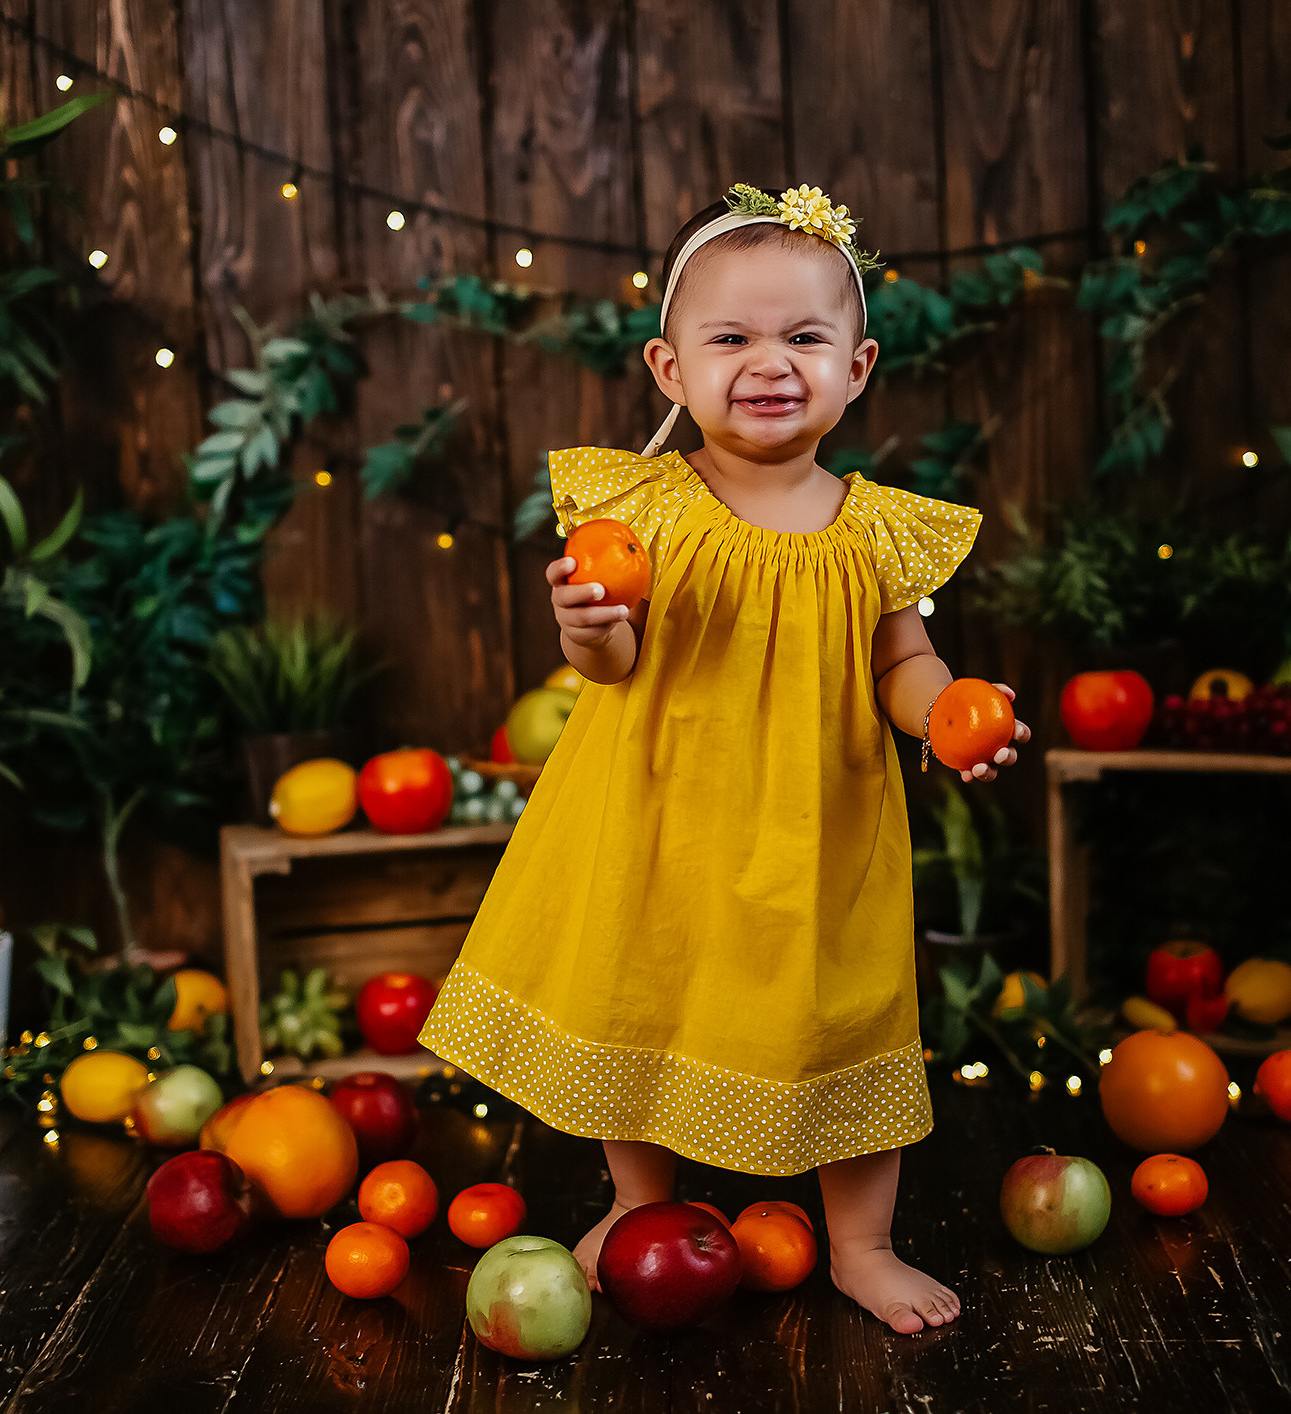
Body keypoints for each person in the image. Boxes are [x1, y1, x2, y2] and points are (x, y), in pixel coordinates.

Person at [418, 184, 1029, 1334]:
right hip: (663, 816)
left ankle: (861, 1241)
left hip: (820, 826)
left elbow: (903, 661)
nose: (770, 362)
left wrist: (950, 710)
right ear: (668, 367)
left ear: (857, 368)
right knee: (644, 991)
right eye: (731, 337)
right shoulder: (644, 505)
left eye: (805, 337)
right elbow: (609, 660)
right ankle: (645, 1208)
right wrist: (593, 630)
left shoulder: (872, 525)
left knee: (844, 1007)